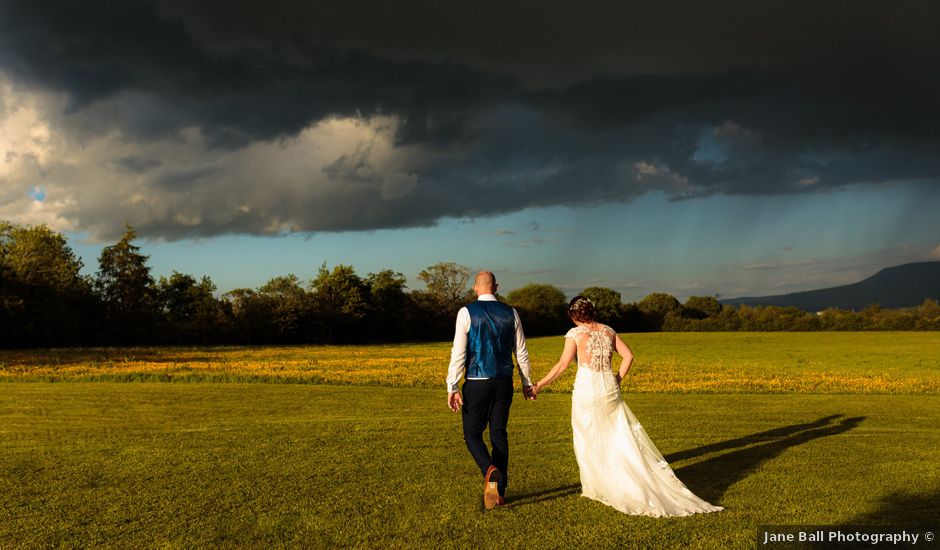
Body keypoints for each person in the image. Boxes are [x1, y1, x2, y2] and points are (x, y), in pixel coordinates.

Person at [531, 296, 723, 517]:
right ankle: (619, 478)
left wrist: (539, 385)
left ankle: (597, 486)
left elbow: (563, 364)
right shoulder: (608, 331)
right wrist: (617, 380)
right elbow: (628, 356)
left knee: (588, 436)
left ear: (574, 315)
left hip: (588, 389)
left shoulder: (575, 334)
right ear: (591, 311)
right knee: (616, 435)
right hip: (609, 388)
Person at [446, 271, 535, 510]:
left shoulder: (466, 312)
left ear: (475, 288)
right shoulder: (511, 312)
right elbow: (522, 352)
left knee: (472, 434)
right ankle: (499, 494)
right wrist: (527, 383)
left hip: (477, 381)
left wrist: (452, 385)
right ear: (496, 287)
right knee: (498, 434)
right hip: (504, 382)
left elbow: (459, 352)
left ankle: (489, 469)